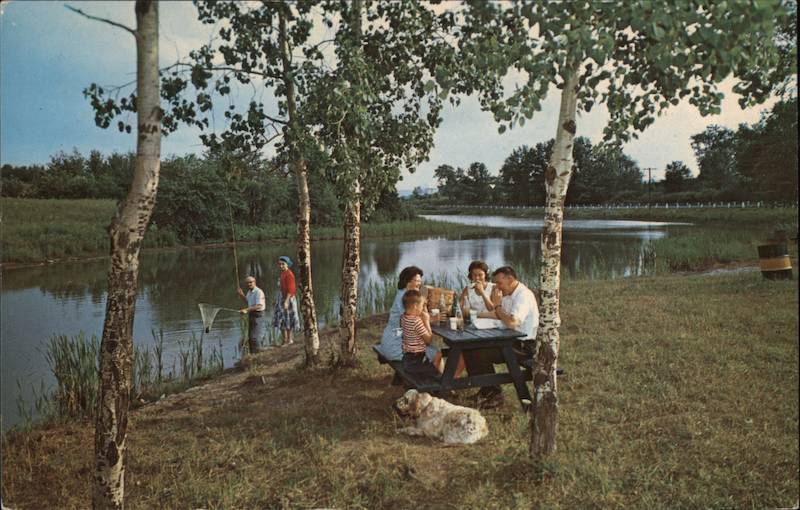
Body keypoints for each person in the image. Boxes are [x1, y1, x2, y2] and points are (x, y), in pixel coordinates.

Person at [463, 265, 539, 409]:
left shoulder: (523, 295)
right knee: (470, 349)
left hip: (525, 347)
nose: (497, 286)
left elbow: (512, 322)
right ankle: (487, 390)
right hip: (511, 341)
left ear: (510, 279)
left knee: (479, 353)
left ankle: (495, 394)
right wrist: (474, 315)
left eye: (499, 283)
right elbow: (497, 314)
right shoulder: (508, 293)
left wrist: (497, 306)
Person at [378, 266, 439, 365]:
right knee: (436, 353)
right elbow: (418, 321)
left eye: (420, 281)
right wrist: (431, 318)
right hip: (395, 346)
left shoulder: (405, 295)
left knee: (430, 349)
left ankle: (437, 378)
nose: (419, 284)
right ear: (407, 281)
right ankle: (440, 380)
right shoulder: (405, 299)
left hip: (390, 340)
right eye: (416, 280)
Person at [400, 289, 440, 380]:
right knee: (437, 373)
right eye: (422, 306)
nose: (422, 308)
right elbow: (429, 340)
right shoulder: (416, 321)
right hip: (416, 361)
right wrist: (426, 322)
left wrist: (423, 306)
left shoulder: (403, 317)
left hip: (407, 358)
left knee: (436, 353)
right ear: (415, 306)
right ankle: (440, 389)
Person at [273, 255, 299, 347]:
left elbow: (291, 289)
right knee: (282, 319)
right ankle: (285, 340)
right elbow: (281, 288)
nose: (281, 266)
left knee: (288, 319)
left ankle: (290, 340)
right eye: (279, 264)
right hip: (282, 298)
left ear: (287, 264)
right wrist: (277, 300)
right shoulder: (283, 273)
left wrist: (287, 301)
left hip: (288, 299)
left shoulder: (289, 274)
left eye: (283, 264)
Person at [237, 275, 266, 354]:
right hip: (252, 314)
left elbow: (259, 305)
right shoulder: (249, 292)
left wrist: (246, 310)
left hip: (258, 315)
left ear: (254, 282)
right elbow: (248, 301)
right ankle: (253, 355)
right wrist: (242, 294)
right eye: (247, 283)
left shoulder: (258, 292)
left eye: (251, 282)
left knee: (255, 338)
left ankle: (259, 354)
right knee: (250, 338)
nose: (249, 284)